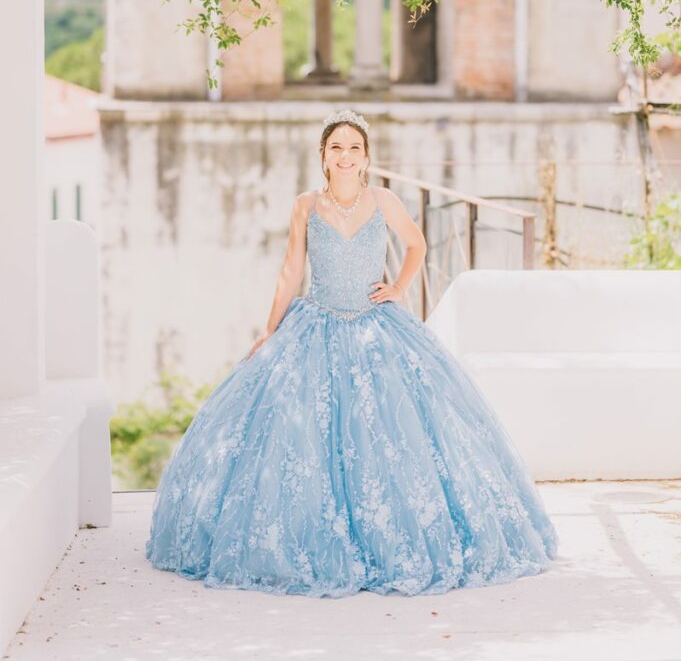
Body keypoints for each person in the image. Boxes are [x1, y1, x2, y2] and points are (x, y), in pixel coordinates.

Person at [145, 108, 558, 596]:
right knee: (301, 438)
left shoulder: (383, 199)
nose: (345, 156)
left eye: (354, 149)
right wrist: (269, 331)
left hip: (376, 325)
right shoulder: (305, 205)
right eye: (336, 148)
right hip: (314, 324)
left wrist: (399, 288)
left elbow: (417, 245)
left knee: (392, 434)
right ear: (323, 155)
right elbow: (290, 270)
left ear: (366, 158)